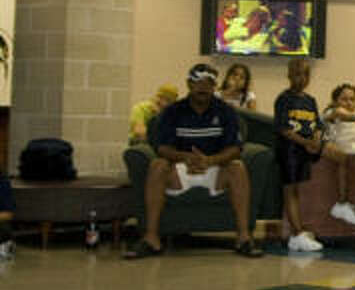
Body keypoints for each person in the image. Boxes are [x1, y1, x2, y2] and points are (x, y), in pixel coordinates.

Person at [124, 64, 263, 259]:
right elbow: (162, 148)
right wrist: (186, 158)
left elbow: (235, 148)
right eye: (198, 82)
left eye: (208, 83)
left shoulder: (226, 112)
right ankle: (151, 238)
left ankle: (244, 238)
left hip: (215, 169)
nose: (203, 88)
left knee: (237, 167)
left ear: (214, 86)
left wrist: (210, 160)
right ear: (189, 84)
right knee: (158, 165)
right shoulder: (173, 111)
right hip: (181, 170)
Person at [274, 58, 330, 252]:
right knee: (290, 191)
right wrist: (305, 143)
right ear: (289, 75)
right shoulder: (284, 99)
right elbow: (283, 129)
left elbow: (318, 124)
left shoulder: (310, 100)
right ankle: (297, 233)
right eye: (297, 74)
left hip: (305, 152)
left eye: (306, 74)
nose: (302, 78)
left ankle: (298, 232)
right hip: (289, 151)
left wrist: (316, 139)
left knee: (298, 191)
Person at [322, 82, 355, 227]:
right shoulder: (330, 113)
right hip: (336, 147)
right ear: (335, 101)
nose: (349, 103)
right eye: (344, 99)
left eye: (352, 99)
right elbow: (339, 113)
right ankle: (343, 203)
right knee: (346, 156)